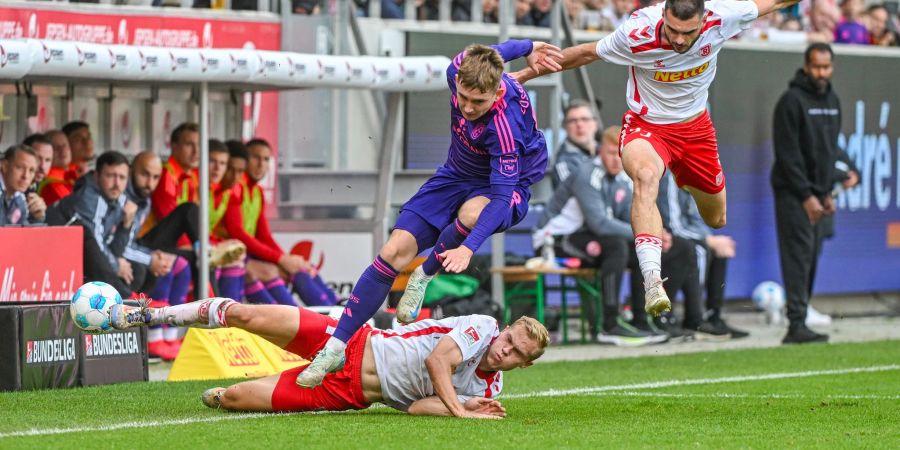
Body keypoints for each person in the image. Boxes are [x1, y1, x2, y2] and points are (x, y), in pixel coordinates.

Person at [296, 39, 562, 388]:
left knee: (472, 215)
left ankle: (426, 273)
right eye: (463, 98)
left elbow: (498, 201)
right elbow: (490, 52)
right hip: (454, 175)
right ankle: (335, 347)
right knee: (392, 252)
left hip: (504, 189)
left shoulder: (504, 130)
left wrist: (468, 248)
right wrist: (526, 45)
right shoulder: (458, 71)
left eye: (477, 102)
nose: (466, 107)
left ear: (497, 94)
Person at [513, 0, 803, 318]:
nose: (678, 40)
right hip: (646, 126)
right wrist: (522, 75)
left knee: (716, 219)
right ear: (663, 15)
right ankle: (653, 280)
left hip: (695, 130)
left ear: (704, 20)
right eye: (672, 30)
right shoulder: (638, 31)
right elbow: (585, 53)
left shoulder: (724, 17)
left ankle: (683, 175)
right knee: (646, 177)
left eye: (687, 32)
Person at [109, 299, 548, 418]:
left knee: (233, 398)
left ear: (523, 366)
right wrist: (461, 410)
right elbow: (438, 362)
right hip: (349, 340)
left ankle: (229, 394)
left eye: (515, 354)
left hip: (346, 390)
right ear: (504, 329)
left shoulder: (489, 389)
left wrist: (464, 406)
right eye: (509, 339)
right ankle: (148, 314)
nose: (503, 349)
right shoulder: (484, 326)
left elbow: (416, 406)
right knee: (246, 315)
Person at [534, 126, 666, 346]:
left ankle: (642, 321)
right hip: (553, 240)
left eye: (620, 154)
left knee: (640, 252)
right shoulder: (587, 174)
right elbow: (601, 224)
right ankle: (609, 324)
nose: (615, 159)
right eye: (610, 153)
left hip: (584, 236)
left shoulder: (622, 178)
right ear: (599, 151)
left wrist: (650, 237)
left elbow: (631, 217)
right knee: (616, 246)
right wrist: (651, 234)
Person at [771, 43, 859, 345]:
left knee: (810, 257)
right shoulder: (791, 102)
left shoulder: (833, 100)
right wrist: (807, 195)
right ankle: (795, 323)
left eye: (826, 67)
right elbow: (788, 155)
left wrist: (826, 192)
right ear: (806, 67)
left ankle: (802, 317)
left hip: (818, 194)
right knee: (796, 257)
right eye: (816, 67)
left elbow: (828, 150)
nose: (822, 73)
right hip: (793, 193)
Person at [655, 171, 747, 339]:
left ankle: (713, 315)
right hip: (665, 237)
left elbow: (696, 219)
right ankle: (695, 318)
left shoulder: (692, 175)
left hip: (683, 236)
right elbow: (673, 225)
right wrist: (708, 240)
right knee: (699, 250)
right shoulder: (669, 175)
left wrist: (712, 239)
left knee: (719, 251)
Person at [46, 151, 134, 295]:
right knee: (89, 239)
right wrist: (116, 265)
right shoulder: (90, 198)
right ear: (96, 176)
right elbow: (95, 246)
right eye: (110, 176)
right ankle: (127, 300)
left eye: (122, 177)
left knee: (135, 269)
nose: (117, 184)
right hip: (55, 256)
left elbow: (115, 249)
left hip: (82, 259)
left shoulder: (119, 199)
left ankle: (129, 301)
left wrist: (126, 226)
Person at [551, 99, 599, 189]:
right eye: (573, 120)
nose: (579, 124)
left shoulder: (610, 151)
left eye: (584, 119)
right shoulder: (563, 163)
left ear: (595, 124)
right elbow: (584, 196)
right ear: (565, 127)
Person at [0, 145, 45, 225]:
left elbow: (24, 234)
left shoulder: (20, 197)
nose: (26, 176)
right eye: (20, 167)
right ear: (5, 166)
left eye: (31, 170)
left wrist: (37, 217)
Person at [39, 130, 74, 206]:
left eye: (64, 145)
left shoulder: (73, 175)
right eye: (55, 147)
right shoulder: (49, 184)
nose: (62, 150)